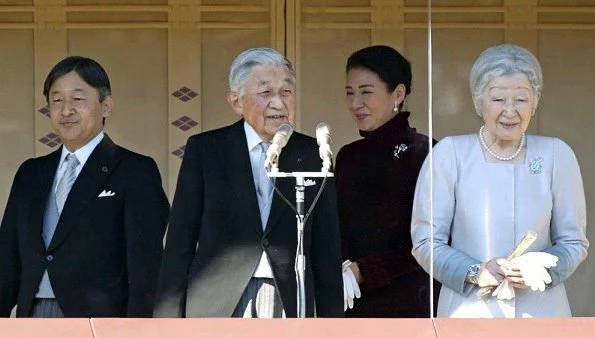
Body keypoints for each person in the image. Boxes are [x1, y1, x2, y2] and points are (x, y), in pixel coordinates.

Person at [154, 47, 343, 318]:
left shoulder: (313, 154)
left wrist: (332, 324)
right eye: (265, 93)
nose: (278, 103)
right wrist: (167, 323)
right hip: (217, 300)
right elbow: (180, 241)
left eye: (286, 92)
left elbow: (327, 248)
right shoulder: (206, 150)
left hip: (288, 297)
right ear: (236, 102)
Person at [411, 44, 589, 318]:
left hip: (541, 312)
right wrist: (475, 272)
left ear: (536, 100)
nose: (510, 110)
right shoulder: (450, 154)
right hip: (469, 312)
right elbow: (425, 243)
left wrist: (542, 268)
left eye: (521, 99)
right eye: (498, 99)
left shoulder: (556, 154)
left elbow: (575, 242)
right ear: (477, 101)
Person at [0, 56, 170, 317]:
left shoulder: (135, 171)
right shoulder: (31, 174)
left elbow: (146, 267)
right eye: (57, 100)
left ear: (106, 106)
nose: (66, 110)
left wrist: (139, 329)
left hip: (101, 320)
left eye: (78, 99)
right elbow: (7, 260)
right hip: (33, 315)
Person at [335, 45, 435, 317]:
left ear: (398, 94)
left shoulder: (426, 153)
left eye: (366, 92)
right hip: (352, 301)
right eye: (350, 93)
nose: (356, 103)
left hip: (411, 303)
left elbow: (432, 241)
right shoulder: (348, 156)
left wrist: (364, 271)